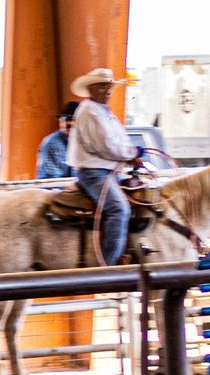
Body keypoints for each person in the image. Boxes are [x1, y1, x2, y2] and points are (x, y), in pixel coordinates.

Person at [67, 68, 147, 265]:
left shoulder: (102, 111)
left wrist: (130, 156)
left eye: (109, 87)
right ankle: (108, 265)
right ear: (92, 89)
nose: (108, 91)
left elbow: (116, 141)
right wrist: (132, 154)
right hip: (95, 172)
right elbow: (106, 146)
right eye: (103, 87)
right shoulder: (90, 112)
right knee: (119, 209)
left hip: (108, 170)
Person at [36, 102, 79, 179]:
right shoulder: (52, 144)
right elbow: (51, 181)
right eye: (64, 119)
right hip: (55, 189)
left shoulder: (84, 142)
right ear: (60, 121)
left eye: (73, 119)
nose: (68, 123)